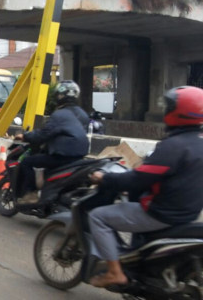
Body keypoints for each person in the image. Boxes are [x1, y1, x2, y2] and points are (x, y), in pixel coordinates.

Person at [87, 86, 203, 288]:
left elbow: (137, 179)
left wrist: (104, 178)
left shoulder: (172, 146)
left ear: (178, 112)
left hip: (160, 213)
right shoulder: (197, 144)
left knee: (98, 217)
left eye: (169, 107)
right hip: (188, 214)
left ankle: (114, 273)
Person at [14, 80, 89, 204]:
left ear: (59, 96)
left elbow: (44, 133)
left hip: (62, 155)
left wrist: (25, 136)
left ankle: (31, 193)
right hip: (79, 156)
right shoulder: (83, 115)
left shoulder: (59, 114)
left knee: (27, 162)